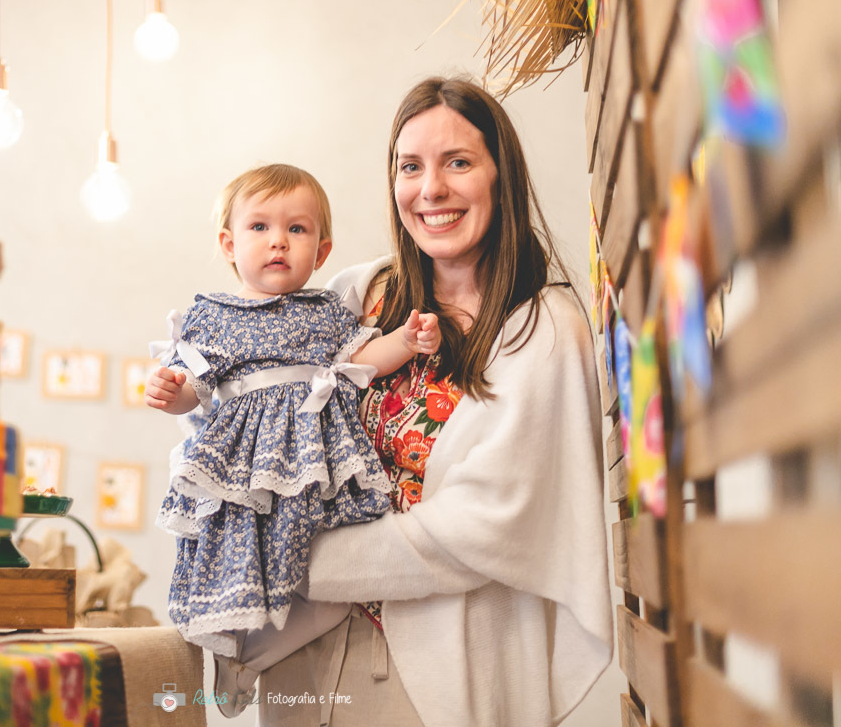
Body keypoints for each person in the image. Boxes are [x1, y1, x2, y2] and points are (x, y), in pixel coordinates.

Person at [255, 77, 613, 727]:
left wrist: (299, 561)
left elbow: (479, 527)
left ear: (501, 176)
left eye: (458, 163)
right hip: (300, 659)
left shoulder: (543, 328)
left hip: (433, 671)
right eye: (410, 166)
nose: (431, 190)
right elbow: (264, 412)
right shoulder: (358, 293)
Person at [145, 163, 442, 716]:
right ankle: (237, 651)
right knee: (239, 558)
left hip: (312, 461)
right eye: (260, 227)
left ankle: (259, 652)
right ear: (229, 244)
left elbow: (359, 363)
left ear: (321, 252)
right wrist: (171, 392)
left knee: (322, 571)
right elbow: (196, 390)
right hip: (244, 467)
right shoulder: (211, 316)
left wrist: (405, 340)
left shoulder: (327, 312)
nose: (278, 240)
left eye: (297, 230)